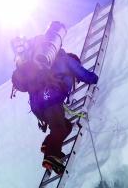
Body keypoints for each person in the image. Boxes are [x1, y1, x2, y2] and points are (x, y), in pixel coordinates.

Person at [11, 28, 98, 175]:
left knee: (67, 126)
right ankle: (51, 155)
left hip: (38, 107)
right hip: (50, 97)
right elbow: (82, 74)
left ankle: (48, 145)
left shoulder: (44, 64)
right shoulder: (66, 59)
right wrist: (94, 79)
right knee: (59, 128)